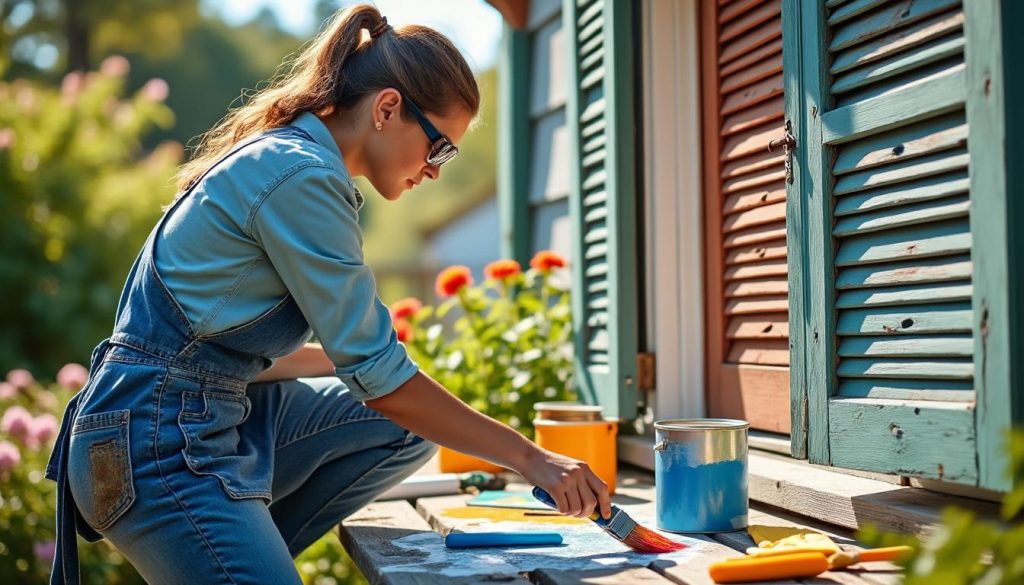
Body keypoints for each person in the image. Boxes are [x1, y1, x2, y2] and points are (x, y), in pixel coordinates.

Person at [45, 5, 611, 584]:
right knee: (395, 409)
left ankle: (239, 556)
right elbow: (380, 378)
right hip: (159, 444)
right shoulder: (302, 176)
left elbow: (220, 353)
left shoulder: (290, 160)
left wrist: (382, 370)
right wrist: (532, 457)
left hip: (185, 418)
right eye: (439, 147)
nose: (437, 170)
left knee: (405, 427)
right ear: (388, 108)